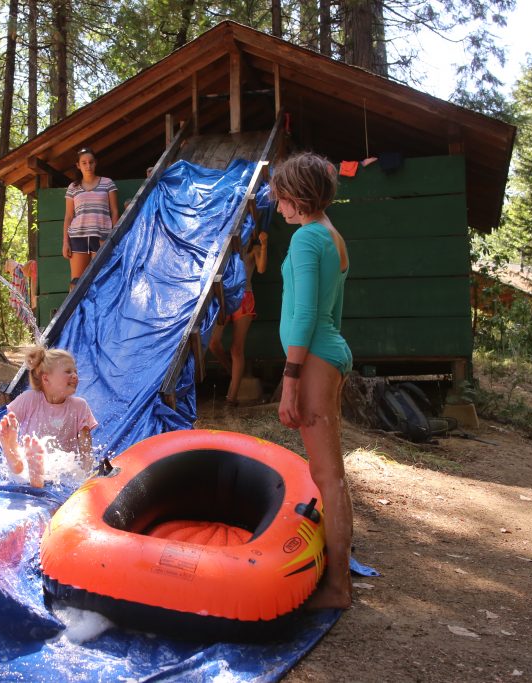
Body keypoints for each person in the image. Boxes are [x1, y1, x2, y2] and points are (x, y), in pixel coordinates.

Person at [271, 152, 354, 609]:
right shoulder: (332, 236)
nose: (278, 206)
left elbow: (305, 315)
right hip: (329, 351)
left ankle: (338, 588)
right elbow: (332, 312)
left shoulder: (306, 239)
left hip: (315, 359)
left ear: (298, 196)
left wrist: (290, 380)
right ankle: (337, 576)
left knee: (328, 477)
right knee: (331, 475)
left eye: (281, 197)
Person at [0, 347, 97, 487]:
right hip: (28, 464)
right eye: (68, 371)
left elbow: (86, 452)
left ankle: (32, 472)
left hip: (60, 471)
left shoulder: (80, 406)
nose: (75, 375)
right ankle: (14, 455)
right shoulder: (29, 399)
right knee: (20, 463)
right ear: (46, 378)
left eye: (75, 371)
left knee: (70, 470)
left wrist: (86, 480)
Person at [208, 229, 268, 405]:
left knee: (236, 349)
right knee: (214, 343)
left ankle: (231, 399)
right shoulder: (227, 250)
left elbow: (262, 269)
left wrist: (264, 245)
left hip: (245, 299)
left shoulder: (254, 250)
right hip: (226, 299)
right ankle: (233, 372)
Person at [62, 147, 119, 290]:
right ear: (78, 165)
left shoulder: (107, 183)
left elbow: (115, 211)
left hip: (101, 237)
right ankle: (75, 313)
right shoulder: (73, 187)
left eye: (91, 162)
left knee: (100, 282)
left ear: (96, 163)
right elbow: (68, 216)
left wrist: (115, 237)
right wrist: (65, 242)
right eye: (84, 163)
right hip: (77, 238)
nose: (88, 166)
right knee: (76, 283)